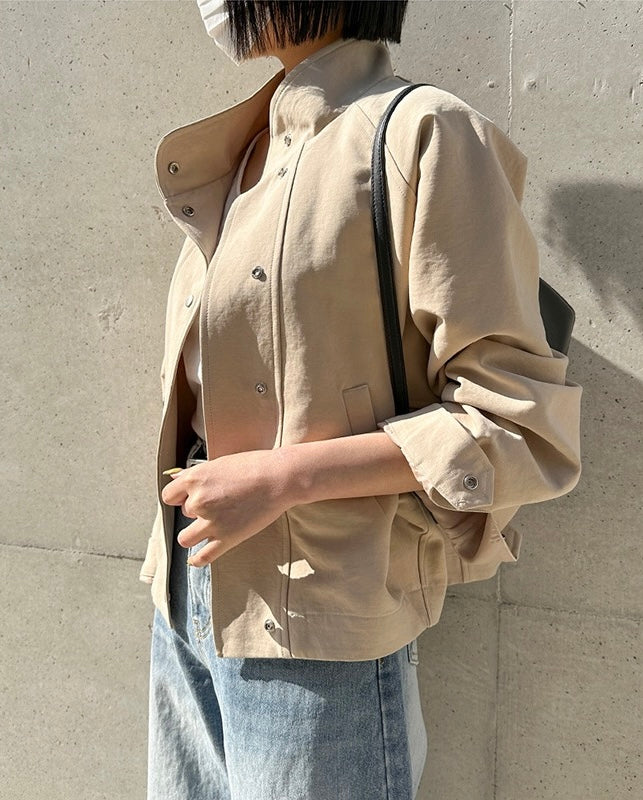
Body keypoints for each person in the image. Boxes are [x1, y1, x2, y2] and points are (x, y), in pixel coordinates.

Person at [139, 2, 583, 798]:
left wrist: (282, 479)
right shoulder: (245, 148)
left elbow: (515, 421)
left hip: (320, 617)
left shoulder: (425, 134)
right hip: (187, 593)